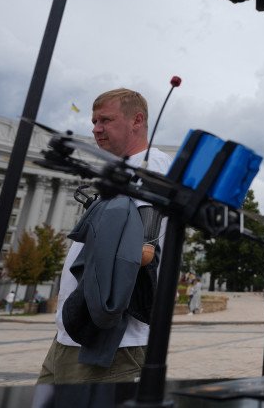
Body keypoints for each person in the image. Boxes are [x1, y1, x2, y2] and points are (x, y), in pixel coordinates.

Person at [36, 88, 172, 385]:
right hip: (76, 334)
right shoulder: (122, 171)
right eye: (94, 121)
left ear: (137, 120)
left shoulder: (151, 165)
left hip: (112, 342)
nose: (96, 129)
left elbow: (144, 251)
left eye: (105, 120)